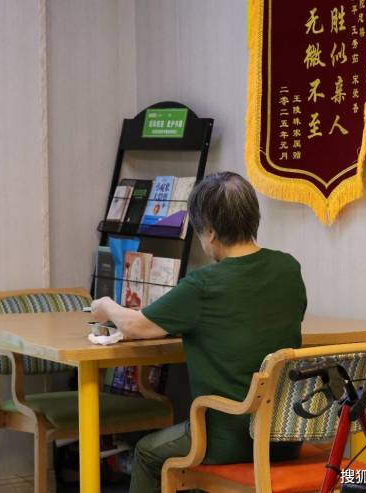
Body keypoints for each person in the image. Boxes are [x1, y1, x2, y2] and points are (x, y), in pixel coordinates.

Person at [90, 171, 307, 493]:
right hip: (285, 436)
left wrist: (106, 305)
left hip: (228, 438)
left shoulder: (203, 285)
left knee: (147, 453)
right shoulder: (288, 269)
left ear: (211, 232)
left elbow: (135, 326)